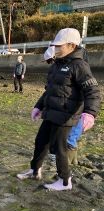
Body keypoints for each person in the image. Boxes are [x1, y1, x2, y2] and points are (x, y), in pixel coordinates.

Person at [17, 28, 101, 191]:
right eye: (54, 46)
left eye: (58, 46)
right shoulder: (57, 64)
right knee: (40, 142)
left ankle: (65, 181)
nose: (55, 49)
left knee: (60, 149)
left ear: (71, 45)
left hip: (66, 116)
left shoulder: (79, 65)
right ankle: (35, 170)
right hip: (51, 113)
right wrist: (38, 106)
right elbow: (50, 90)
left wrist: (90, 113)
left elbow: (92, 90)